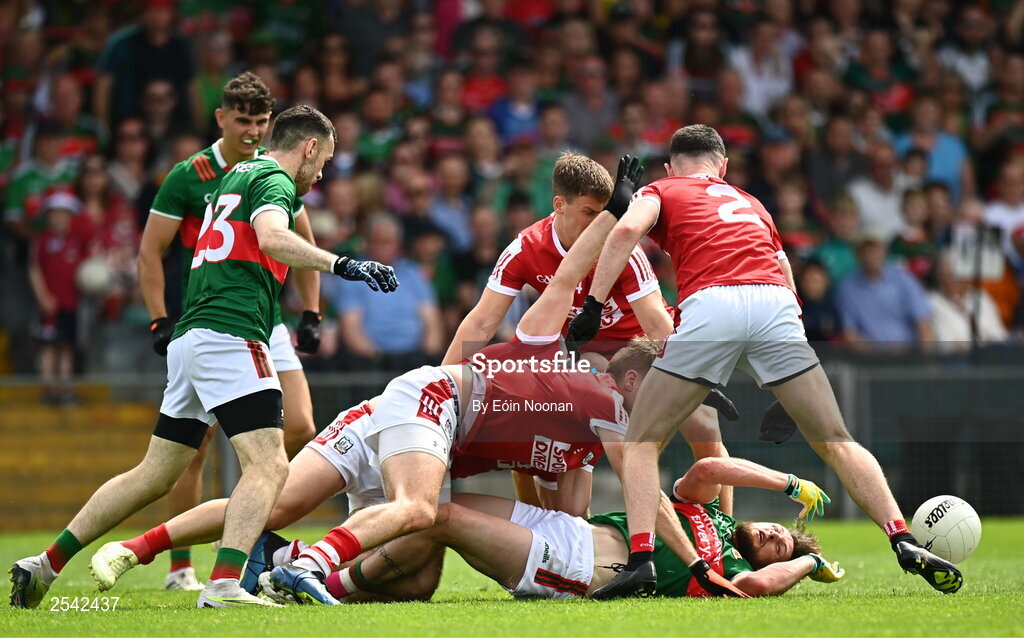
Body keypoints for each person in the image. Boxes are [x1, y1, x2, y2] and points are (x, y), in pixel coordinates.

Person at [9, 104, 399, 610]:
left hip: (192, 336)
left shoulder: (235, 173)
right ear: (307, 147)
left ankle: (44, 564)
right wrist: (343, 263)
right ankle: (224, 586)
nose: (321, 171)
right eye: (322, 159)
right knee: (269, 465)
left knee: (154, 474)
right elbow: (273, 238)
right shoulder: (275, 180)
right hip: (231, 334)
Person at [567, 125, 963, 598]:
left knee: (641, 446)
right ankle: (901, 537)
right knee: (836, 440)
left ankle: (642, 562)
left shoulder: (662, 187)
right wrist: (782, 373)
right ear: (723, 166)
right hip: (777, 306)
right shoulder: (751, 201)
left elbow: (629, 229)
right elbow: (782, 266)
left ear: (672, 167)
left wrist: (592, 304)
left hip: (712, 303)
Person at [443, 151, 733, 513]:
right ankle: (541, 531)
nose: (600, 223)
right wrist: (441, 383)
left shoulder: (621, 248)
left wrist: (693, 375)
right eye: (589, 213)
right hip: (587, 357)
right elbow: (481, 322)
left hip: (643, 350)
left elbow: (656, 324)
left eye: (605, 212)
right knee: (530, 426)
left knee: (705, 426)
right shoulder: (526, 247)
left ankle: (723, 534)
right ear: (559, 205)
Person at [136, 72, 320, 591]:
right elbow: (151, 250)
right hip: (216, 317)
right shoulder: (189, 176)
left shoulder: (271, 169)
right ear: (221, 118)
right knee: (192, 449)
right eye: (243, 121)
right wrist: (157, 315)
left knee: (302, 426)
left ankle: (243, 530)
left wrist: (312, 312)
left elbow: (298, 241)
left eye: (262, 122)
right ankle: (181, 569)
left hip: (266, 318)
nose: (253, 132)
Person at [265, 456, 839, 604]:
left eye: (778, 549)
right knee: (431, 502)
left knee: (437, 519)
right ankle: (303, 563)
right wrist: (788, 484)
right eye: (778, 533)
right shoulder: (712, 514)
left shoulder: (729, 574)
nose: (771, 539)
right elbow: (710, 469)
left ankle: (313, 575)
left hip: (578, 569)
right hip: (563, 525)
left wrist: (810, 563)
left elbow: (765, 588)